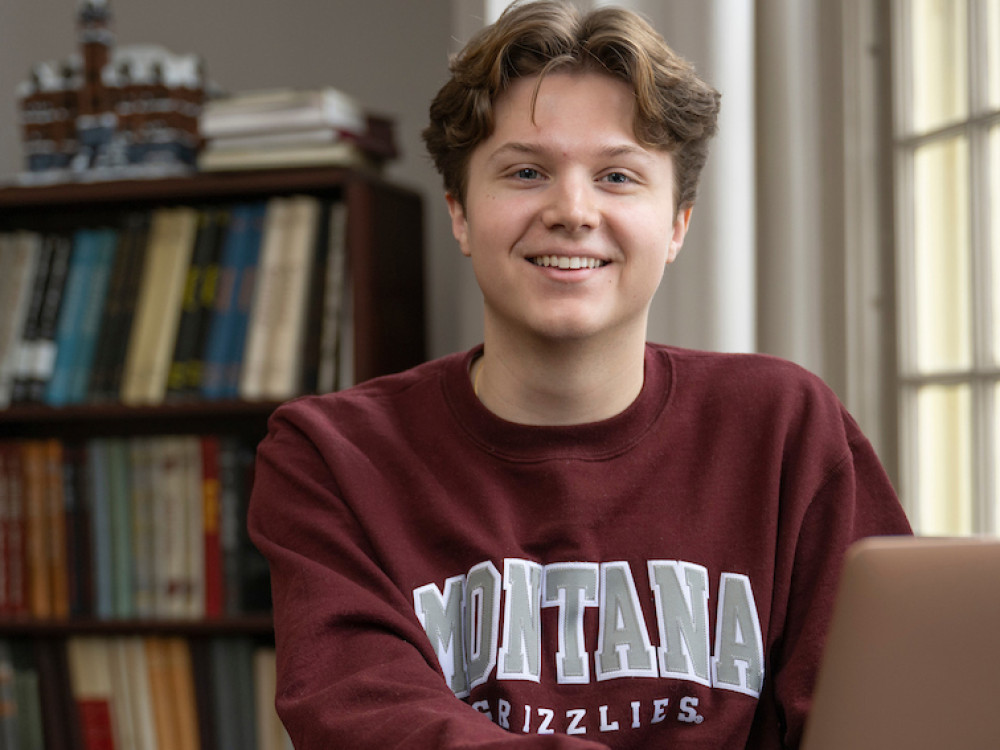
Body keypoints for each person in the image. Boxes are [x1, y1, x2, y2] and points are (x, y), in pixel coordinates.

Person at [247, 2, 912, 748]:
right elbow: (366, 722)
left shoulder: (787, 427)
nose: (572, 210)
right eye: (526, 171)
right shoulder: (330, 457)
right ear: (461, 213)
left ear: (677, 225)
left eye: (618, 176)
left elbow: (885, 715)